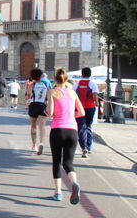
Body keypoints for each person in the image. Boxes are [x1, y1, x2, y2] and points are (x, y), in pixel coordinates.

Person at [47, 67, 85, 203]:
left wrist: (49, 113)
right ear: (66, 79)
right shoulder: (73, 93)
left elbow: (50, 113)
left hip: (58, 129)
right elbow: (81, 112)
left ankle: (58, 193)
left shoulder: (52, 92)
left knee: (56, 162)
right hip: (72, 130)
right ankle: (74, 183)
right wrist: (71, 116)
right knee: (68, 163)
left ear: (55, 79)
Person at [73, 67, 99, 158]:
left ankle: (84, 147)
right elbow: (95, 95)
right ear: (90, 74)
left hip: (79, 108)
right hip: (90, 108)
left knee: (81, 127)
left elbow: (72, 94)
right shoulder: (93, 84)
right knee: (88, 126)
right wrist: (97, 103)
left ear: (82, 74)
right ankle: (89, 147)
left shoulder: (77, 84)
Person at [27, 68, 49, 155]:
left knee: (33, 126)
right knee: (42, 126)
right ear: (41, 76)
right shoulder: (45, 85)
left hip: (33, 105)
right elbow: (47, 96)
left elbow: (29, 95)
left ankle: (34, 145)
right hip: (42, 105)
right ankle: (41, 143)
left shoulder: (31, 85)